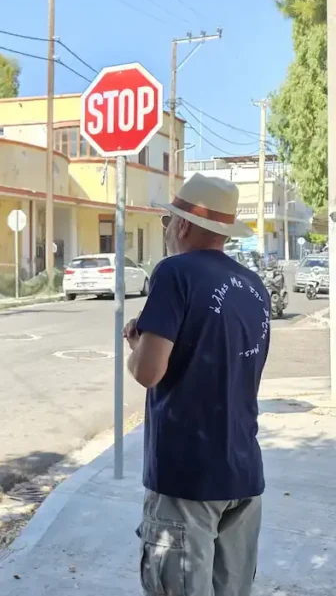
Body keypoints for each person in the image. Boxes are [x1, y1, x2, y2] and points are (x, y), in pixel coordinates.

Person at [125, 173, 270, 596]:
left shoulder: (175, 272)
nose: (167, 229)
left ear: (184, 225)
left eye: (168, 221)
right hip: (243, 473)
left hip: (186, 477)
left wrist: (136, 346)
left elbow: (148, 372)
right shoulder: (255, 287)